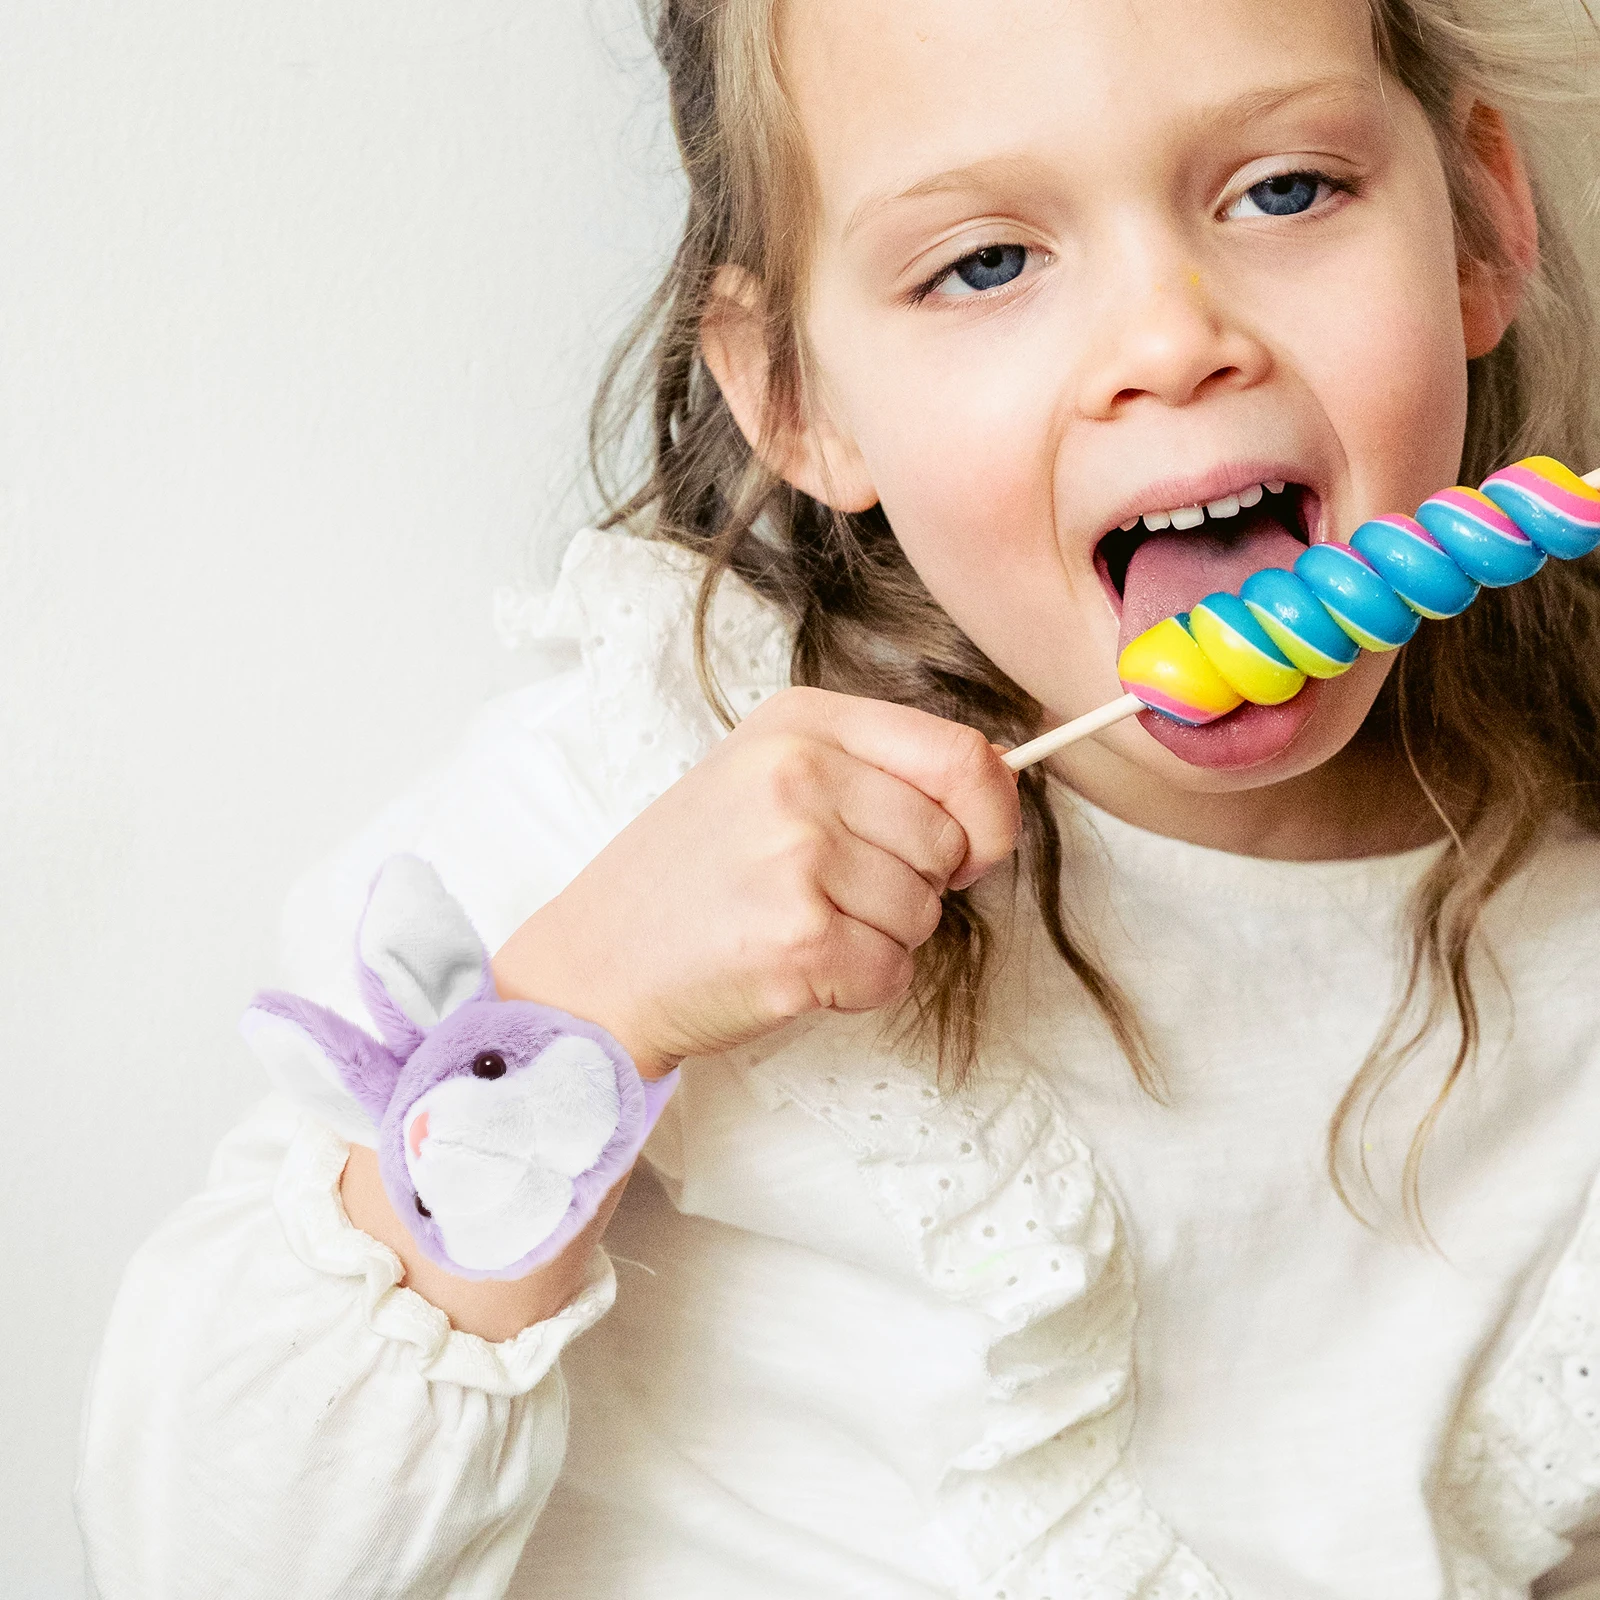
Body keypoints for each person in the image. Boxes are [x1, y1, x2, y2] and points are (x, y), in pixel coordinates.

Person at [74, 0, 1600, 1594]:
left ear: (1484, 223)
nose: (1172, 338)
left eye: (1285, 189)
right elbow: (197, 1554)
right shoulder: (639, 798)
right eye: (987, 264)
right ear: (797, 395)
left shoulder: (1569, 911)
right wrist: (584, 1009)